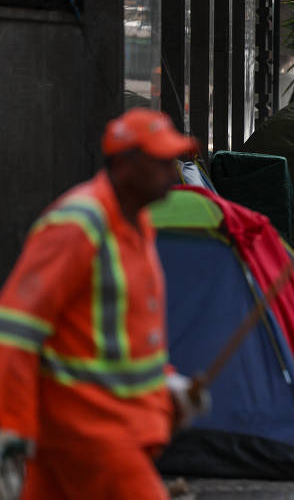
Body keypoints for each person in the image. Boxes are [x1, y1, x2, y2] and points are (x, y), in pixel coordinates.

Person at [0, 108, 208, 499]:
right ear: (126, 166)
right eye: (161, 161)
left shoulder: (137, 224)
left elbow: (123, 338)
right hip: (92, 432)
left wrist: (168, 385)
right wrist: (10, 428)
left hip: (96, 430)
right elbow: (16, 330)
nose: (172, 170)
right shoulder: (76, 226)